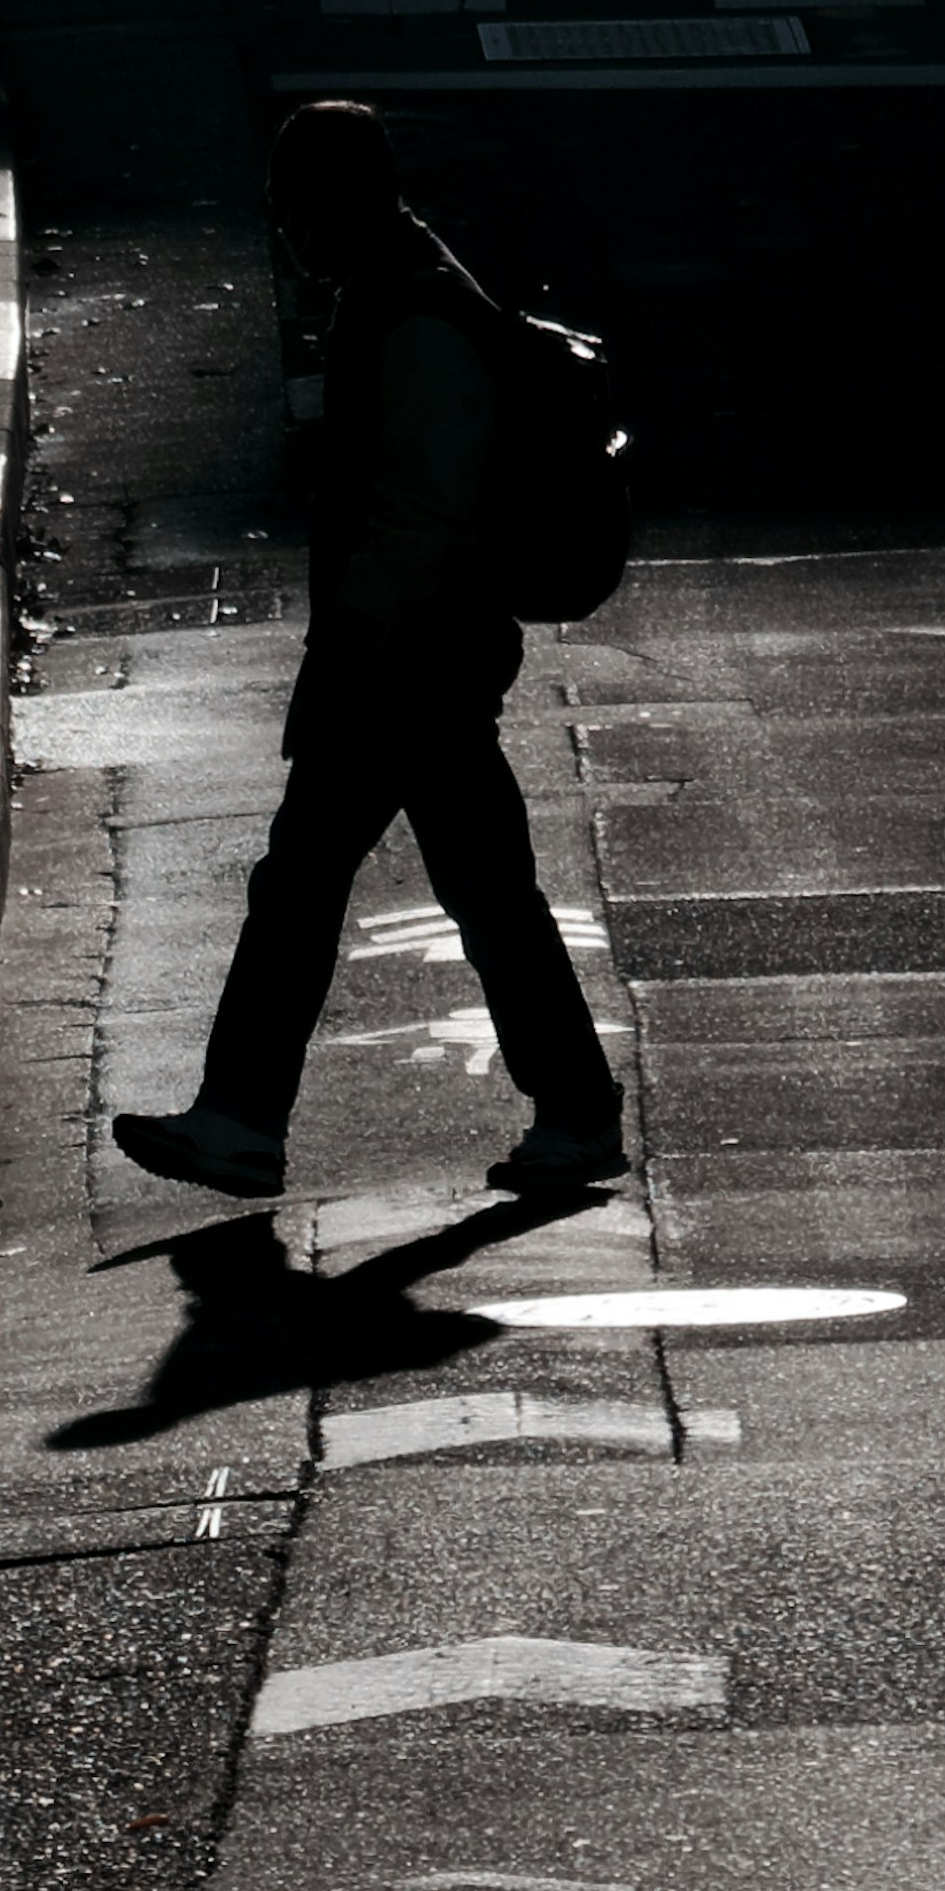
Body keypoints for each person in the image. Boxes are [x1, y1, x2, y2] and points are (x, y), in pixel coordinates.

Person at [113, 98, 624, 1205]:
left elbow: (421, 510)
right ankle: (565, 1111)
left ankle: (249, 1118)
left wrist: (352, 634)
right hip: (423, 658)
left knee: (325, 886)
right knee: (453, 891)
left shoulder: (411, 315)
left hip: (407, 663)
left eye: (289, 206)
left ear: (323, 202)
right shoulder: (410, 290)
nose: (285, 233)